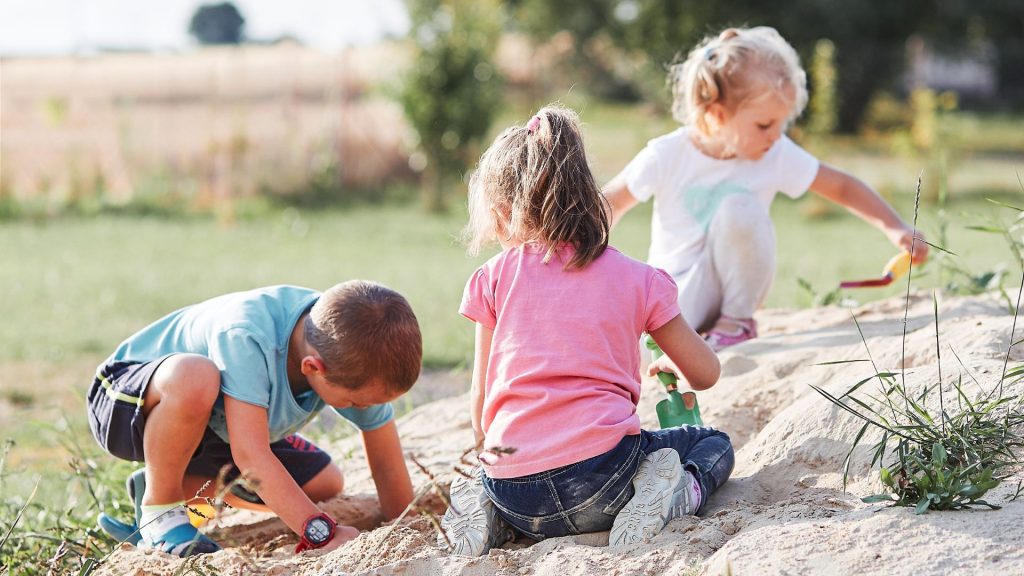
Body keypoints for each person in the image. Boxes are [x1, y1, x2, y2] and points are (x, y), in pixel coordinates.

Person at [437, 105, 735, 556]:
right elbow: (706, 373)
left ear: (502, 212)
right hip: (603, 482)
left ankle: (489, 511)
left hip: (515, 492)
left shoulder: (493, 279)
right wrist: (670, 355)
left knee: (496, 469)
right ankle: (673, 496)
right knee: (712, 443)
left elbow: (481, 409)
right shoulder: (639, 279)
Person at [603, 26, 928, 351]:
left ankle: (736, 322)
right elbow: (610, 203)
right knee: (639, 341)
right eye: (764, 125)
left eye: (782, 124)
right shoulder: (667, 155)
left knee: (738, 208)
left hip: (736, 292)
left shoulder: (774, 153)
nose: (775, 135)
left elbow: (840, 186)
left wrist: (894, 226)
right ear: (716, 115)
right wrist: (572, 250)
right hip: (675, 298)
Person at [87, 281, 422, 556]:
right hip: (128, 401)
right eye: (354, 403)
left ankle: (179, 499)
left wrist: (408, 528)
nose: (362, 409)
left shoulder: (357, 353)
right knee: (195, 377)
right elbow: (251, 456)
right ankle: (160, 508)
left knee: (324, 482)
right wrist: (320, 532)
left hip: (214, 429)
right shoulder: (247, 335)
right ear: (313, 368)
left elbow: (387, 464)